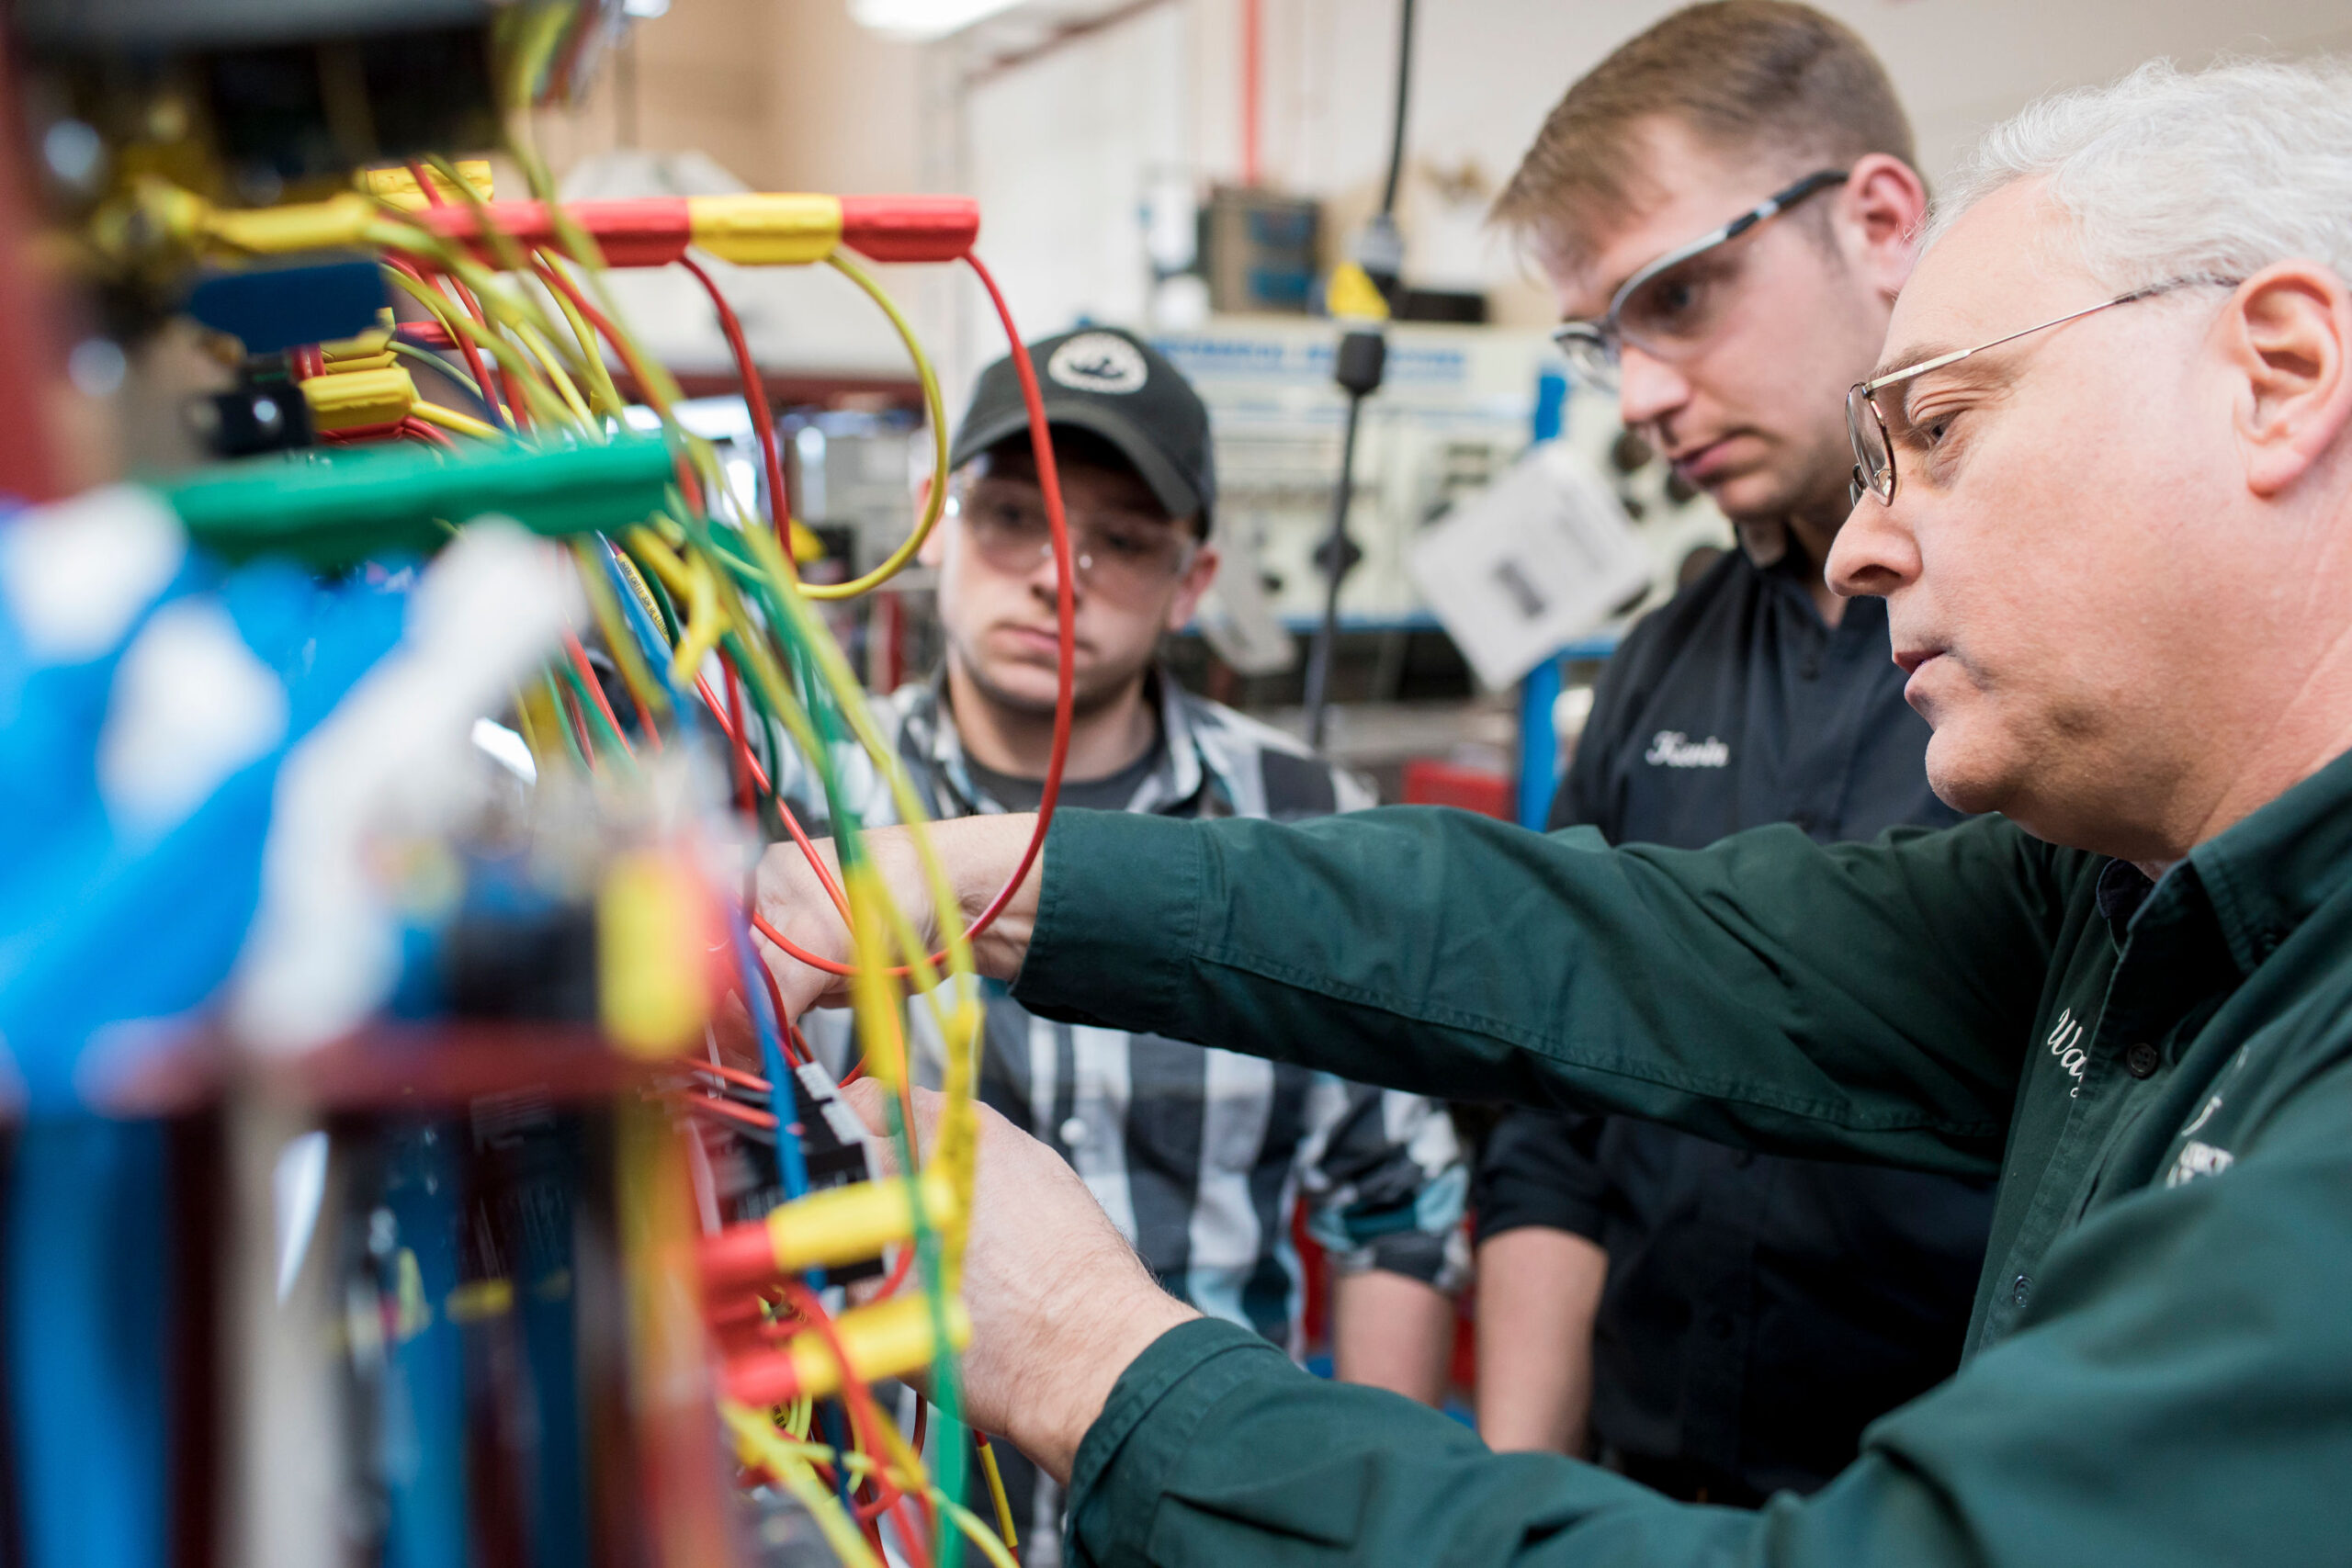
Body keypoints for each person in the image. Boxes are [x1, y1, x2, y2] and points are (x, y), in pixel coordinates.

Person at [761, 55, 2352, 1565]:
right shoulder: (2116, 898)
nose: (1865, 548)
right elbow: (1597, 944)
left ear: (2278, 378)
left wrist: (1090, 1358)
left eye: (1938, 429)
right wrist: (972, 878)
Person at [766, 325, 1467, 1560]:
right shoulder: (799, 801)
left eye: (1124, 543)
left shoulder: (1307, 828)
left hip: (1202, 1528)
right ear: (937, 525)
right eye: (1012, 517)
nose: (1058, 572)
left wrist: (1356, 1537)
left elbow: (1397, 1207)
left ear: (1193, 583)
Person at [1468, 2, 1993, 1496]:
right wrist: (1522, 1498)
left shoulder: (2070, 662)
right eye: (1602, 337)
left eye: (1681, 298)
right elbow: (1551, 1115)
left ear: (1879, 220)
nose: (1633, 397)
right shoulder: (1654, 668)